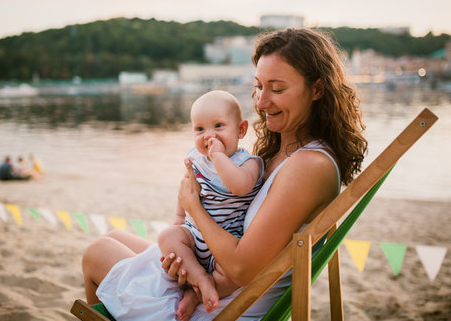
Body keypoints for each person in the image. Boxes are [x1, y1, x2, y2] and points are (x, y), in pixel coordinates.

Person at [81, 28, 368, 320]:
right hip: (216, 286)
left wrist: (192, 205)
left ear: (317, 90)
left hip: (224, 309)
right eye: (259, 86)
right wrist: (184, 259)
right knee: (115, 236)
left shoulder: (309, 166)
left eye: (277, 89)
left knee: (97, 253)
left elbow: (242, 268)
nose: (261, 102)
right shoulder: (282, 154)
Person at [157, 90, 264, 319]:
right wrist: (179, 220)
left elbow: (240, 187)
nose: (209, 136)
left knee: (232, 276)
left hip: (226, 244)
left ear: (241, 129)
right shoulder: (196, 160)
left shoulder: (249, 163)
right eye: (200, 129)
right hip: (196, 236)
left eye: (218, 126)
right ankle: (200, 279)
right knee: (167, 237)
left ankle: (198, 293)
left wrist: (218, 157)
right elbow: (185, 191)